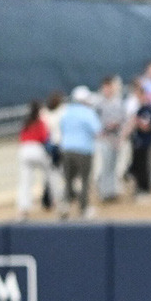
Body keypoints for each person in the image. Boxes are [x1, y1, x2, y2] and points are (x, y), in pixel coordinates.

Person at [57, 88, 102, 218]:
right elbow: (97, 130)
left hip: (66, 149)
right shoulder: (88, 113)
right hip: (84, 150)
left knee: (68, 180)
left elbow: (62, 128)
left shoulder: (66, 112)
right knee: (84, 180)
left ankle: (65, 206)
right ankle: (84, 209)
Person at [14, 101, 58, 218]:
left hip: (23, 150)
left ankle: (23, 209)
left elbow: (20, 138)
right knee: (51, 174)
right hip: (37, 149)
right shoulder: (40, 122)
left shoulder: (26, 123)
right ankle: (56, 201)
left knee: (25, 181)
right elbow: (44, 138)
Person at [95, 75, 131, 202]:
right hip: (104, 138)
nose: (108, 90)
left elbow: (125, 120)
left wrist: (121, 134)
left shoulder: (118, 103)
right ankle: (105, 192)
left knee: (114, 165)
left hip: (116, 139)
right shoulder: (99, 104)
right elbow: (95, 122)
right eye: (105, 87)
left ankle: (113, 190)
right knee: (105, 164)